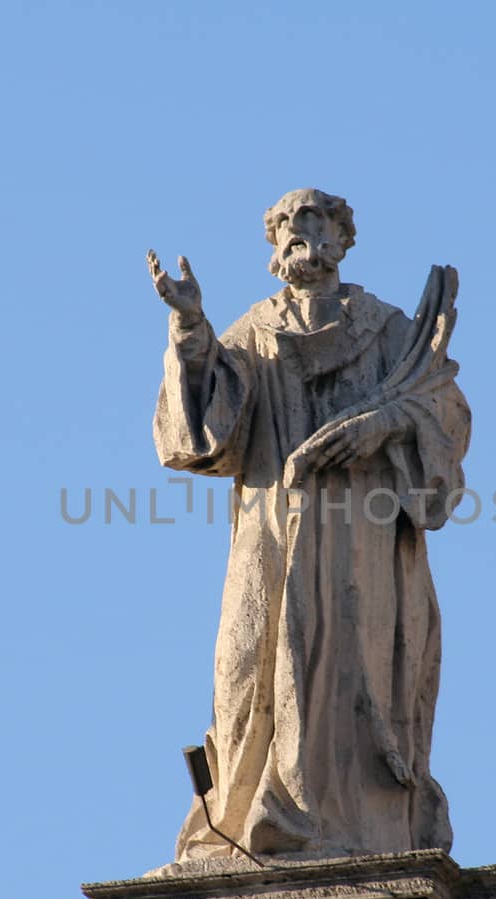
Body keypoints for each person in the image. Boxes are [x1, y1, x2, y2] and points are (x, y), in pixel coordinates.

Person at [150, 188, 470, 860]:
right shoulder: (250, 334)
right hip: (268, 534)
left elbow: (442, 413)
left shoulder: (386, 331)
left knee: (354, 671)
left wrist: (382, 422)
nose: (298, 233)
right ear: (273, 245)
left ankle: (351, 828)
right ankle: (246, 817)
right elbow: (208, 440)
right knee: (249, 668)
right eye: (285, 225)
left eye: (313, 220)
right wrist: (190, 332)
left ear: (341, 238)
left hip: (362, 537)